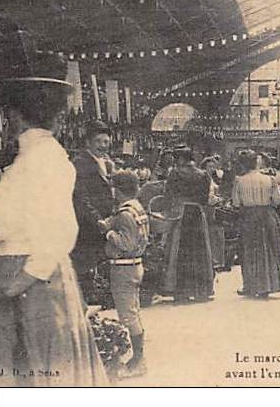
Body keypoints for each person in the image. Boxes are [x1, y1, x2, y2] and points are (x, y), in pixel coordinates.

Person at [0, 66, 107, 386]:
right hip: (21, 277)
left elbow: (60, 230)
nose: (6, 121)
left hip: (32, 281)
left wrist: (21, 280)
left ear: (18, 116)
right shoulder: (31, 157)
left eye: (8, 114)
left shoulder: (45, 159)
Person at [98, 170, 149, 378]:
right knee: (133, 312)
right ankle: (138, 358)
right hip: (135, 265)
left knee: (128, 316)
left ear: (117, 190)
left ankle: (138, 361)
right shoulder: (135, 207)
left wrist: (108, 233)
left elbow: (126, 243)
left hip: (124, 266)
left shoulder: (125, 213)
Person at [231, 150, 280, 298]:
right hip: (268, 215)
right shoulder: (270, 179)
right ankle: (269, 284)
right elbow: (277, 201)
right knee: (270, 249)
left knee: (249, 251)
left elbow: (236, 203)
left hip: (248, 216)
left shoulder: (239, 180)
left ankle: (250, 286)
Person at [160, 147, 214, 302]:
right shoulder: (203, 174)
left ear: (181, 159)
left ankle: (181, 291)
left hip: (181, 213)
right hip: (196, 213)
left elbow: (168, 195)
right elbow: (204, 199)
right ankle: (201, 290)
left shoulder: (175, 174)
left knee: (179, 251)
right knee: (199, 250)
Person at [71, 120, 116, 303]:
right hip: (87, 225)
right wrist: (97, 220)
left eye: (106, 142)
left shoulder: (105, 162)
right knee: (86, 267)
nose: (103, 146)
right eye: (98, 141)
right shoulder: (80, 163)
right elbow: (80, 198)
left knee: (96, 265)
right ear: (88, 142)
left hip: (103, 223)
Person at [201, 156, 226, 270]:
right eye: (209, 167)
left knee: (215, 234)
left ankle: (216, 260)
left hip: (212, 208)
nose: (211, 169)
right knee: (211, 233)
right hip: (207, 209)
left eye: (213, 167)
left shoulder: (211, 179)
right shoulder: (204, 179)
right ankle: (213, 260)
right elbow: (209, 198)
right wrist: (218, 199)